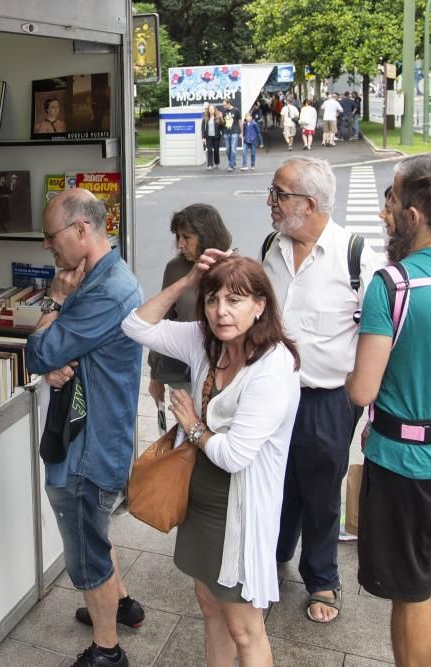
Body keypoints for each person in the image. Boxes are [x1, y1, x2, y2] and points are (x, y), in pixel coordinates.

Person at [122, 254, 301, 666]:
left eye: (235, 300)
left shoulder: (272, 367)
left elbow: (236, 455)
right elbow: (135, 325)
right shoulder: (207, 340)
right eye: (212, 299)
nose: (221, 311)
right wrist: (186, 282)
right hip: (199, 503)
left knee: (244, 626)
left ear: (260, 305)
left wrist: (195, 426)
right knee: (208, 603)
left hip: (238, 511)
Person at [346, 155, 431, 666]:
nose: (384, 213)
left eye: (391, 201)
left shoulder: (392, 285)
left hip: (405, 470)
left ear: (415, 215)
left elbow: (362, 391)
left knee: (412, 594)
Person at [262, 157, 384, 623]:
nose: (270, 203)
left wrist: (361, 401)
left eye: (278, 194)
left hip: (326, 400)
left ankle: (322, 579)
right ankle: (272, 558)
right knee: (275, 482)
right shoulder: (271, 246)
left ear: (308, 204)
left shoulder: (356, 256)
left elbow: (379, 335)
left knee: (319, 491)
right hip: (272, 395)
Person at [27, 188, 144, 667]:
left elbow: (39, 352)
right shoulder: (103, 277)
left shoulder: (104, 292)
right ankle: (122, 606)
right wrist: (56, 354)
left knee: (85, 545)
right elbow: (58, 356)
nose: (47, 246)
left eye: (51, 235)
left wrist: (53, 306)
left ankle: (107, 649)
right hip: (98, 435)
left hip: (88, 447)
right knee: (93, 528)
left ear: (81, 230)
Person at [148, 205, 234, 428]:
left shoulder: (234, 267)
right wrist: (155, 376)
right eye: (177, 236)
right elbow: (161, 320)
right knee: (184, 433)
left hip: (223, 369)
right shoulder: (175, 268)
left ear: (207, 236)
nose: (180, 244)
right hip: (180, 369)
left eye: (187, 237)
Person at [219, 99, 241, 172]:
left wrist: (241, 131)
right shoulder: (224, 111)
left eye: (224, 105)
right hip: (226, 132)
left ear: (229, 104)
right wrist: (221, 117)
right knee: (228, 150)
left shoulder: (236, 110)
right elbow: (222, 123)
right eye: (223, 105)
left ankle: (230, 165)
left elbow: (239, 121)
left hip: (234, 132)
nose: (223, 106)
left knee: (233, 150)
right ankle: (233, 162)